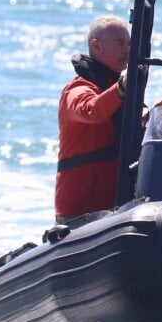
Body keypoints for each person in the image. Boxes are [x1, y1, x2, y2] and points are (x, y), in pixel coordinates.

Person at [54, 15, 130, 224]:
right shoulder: (77, 89)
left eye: (129, 44)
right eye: (120, 44)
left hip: (113, 210)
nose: (127, 50)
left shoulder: (116, 90)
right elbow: (92, 111)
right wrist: (121, 88)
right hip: (79, 212)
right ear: (97, 46)